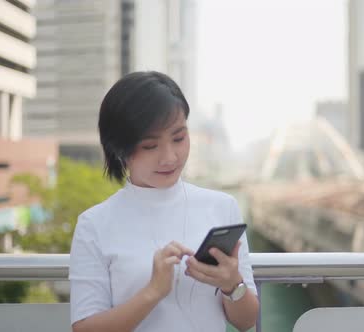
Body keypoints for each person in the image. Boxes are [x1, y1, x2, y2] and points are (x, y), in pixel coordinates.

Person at [69, 71, 259, 332]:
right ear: (119, 148)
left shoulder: (222, 207)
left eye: (179, 138)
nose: (170, 157)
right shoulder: (95, 224)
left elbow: (246, 320)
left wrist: (232, 284)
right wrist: (152, 292)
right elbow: (84, 329)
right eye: (150, 146)